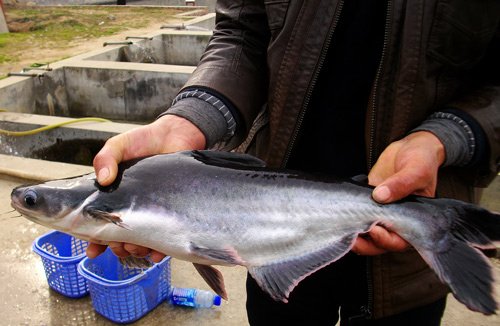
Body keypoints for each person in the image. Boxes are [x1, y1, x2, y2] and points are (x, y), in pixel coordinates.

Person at [87, 1, 500, 325]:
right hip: (261, 228)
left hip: (410, 230)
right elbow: (243, 34)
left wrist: (443, 138)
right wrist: (191, 117)